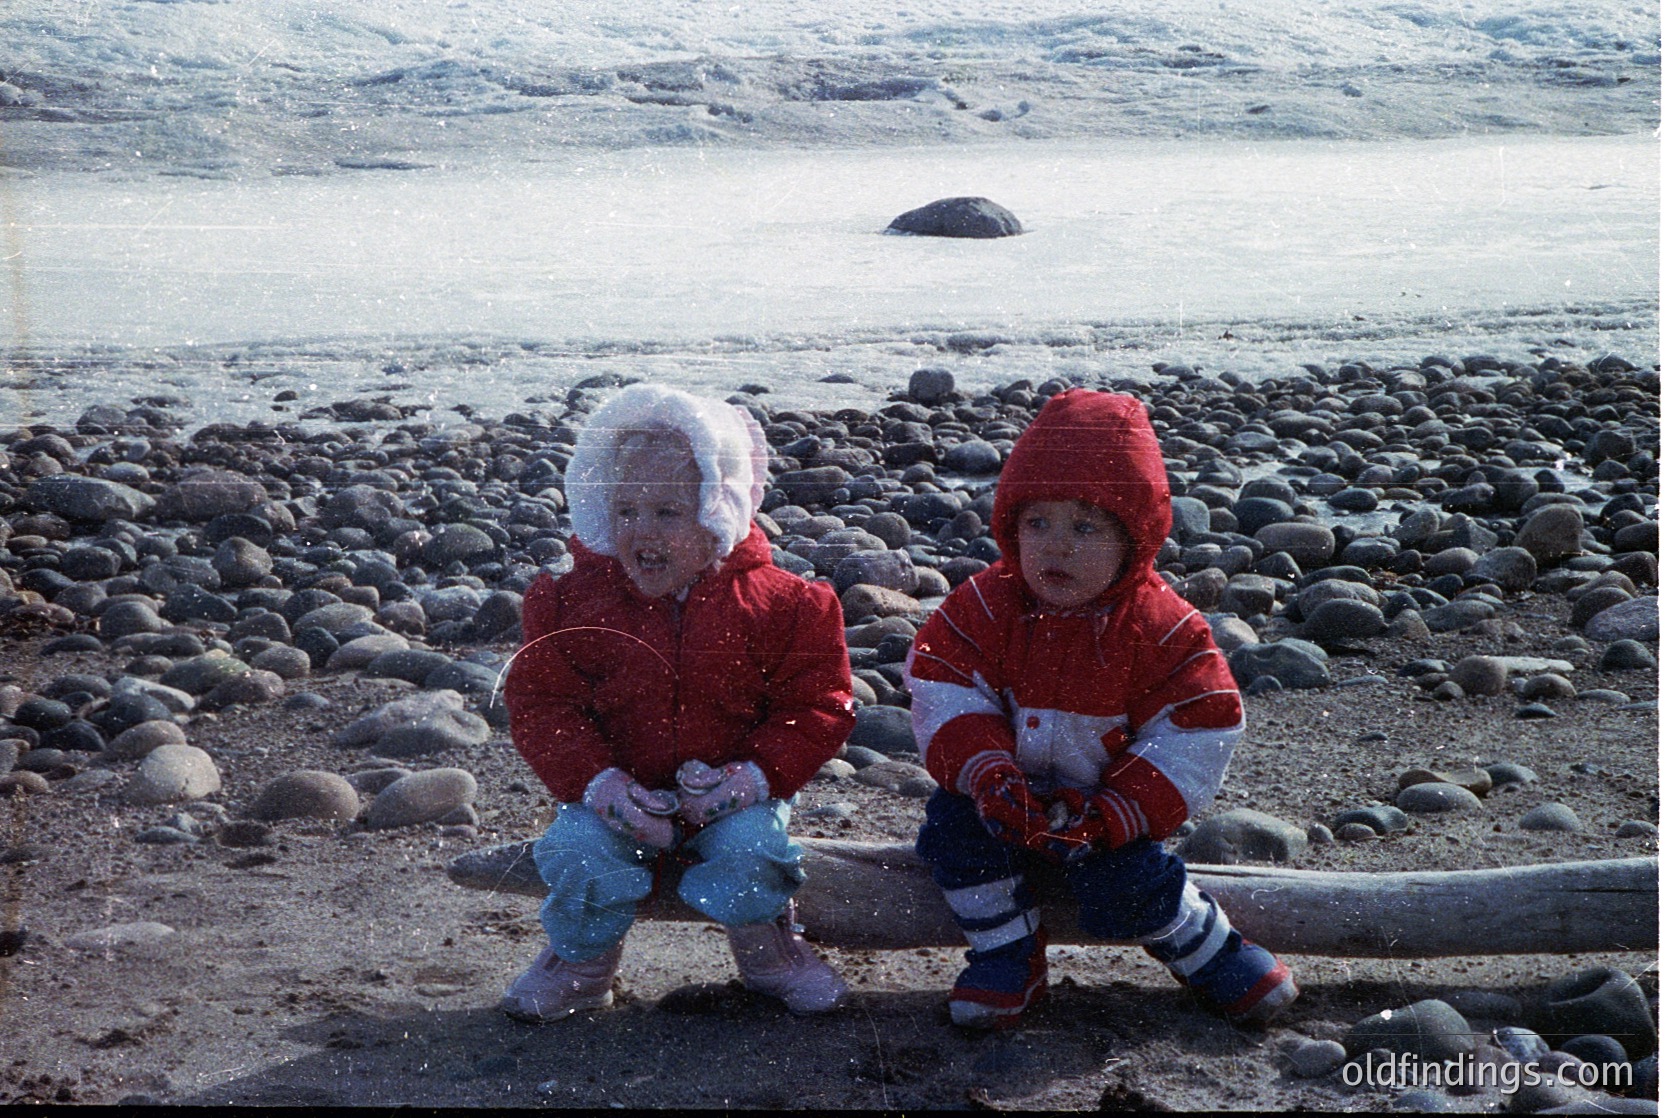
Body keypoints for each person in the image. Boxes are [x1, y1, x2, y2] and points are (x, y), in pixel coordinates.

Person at [904, 387, 1297, 1029]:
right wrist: (984, 771)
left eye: (1084, 527)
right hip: (1001, 799)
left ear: (1132, 540)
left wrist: (1122, 808)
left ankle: (1208, 948)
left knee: (1134, 882)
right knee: (952, 838)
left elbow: (1201, 724)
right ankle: (1007, 954)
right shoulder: (984, 605)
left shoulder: (1163, 629)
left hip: (1104, 813)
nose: (1055, 547)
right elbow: (942, 682)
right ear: (1011, 526)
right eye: (1037, 524)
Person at [499, 383, 856, 1023]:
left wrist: (753, 778)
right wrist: (598, 783)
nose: (642, 531)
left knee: (753, 852)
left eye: (668, 512)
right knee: (580, 851)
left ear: (718, 512)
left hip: (732, 792)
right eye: (627, 510)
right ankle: (581, 965)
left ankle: (769, 953)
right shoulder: (569, 602)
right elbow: (542, 706)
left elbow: (818, 705)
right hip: (615, 792)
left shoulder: (787, 606)